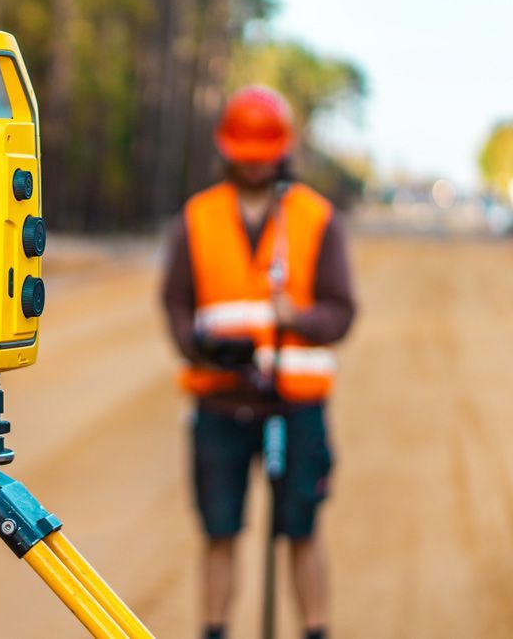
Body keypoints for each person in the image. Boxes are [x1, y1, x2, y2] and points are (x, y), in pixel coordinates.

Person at [161, 85, 356, 639]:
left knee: (301, 529)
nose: (253, 164)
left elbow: (342, 313)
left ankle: (315, 629)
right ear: (227, 151)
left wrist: (298, 319)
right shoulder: (197, 218)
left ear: (282, 150)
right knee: (219, 530)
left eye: (262, 153)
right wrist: (194, 344)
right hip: (220, 402)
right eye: (243, 153)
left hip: (295, 405)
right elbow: (176, 300)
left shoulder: (317, 219)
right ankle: (215, 629)